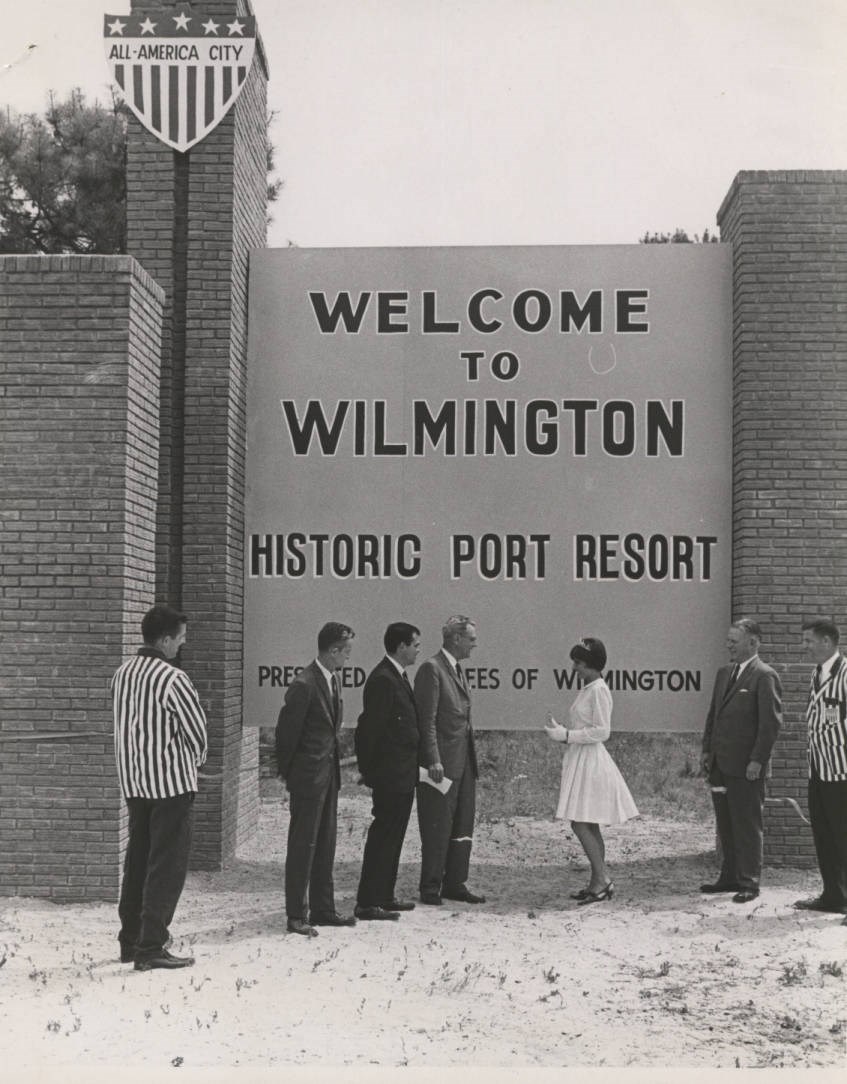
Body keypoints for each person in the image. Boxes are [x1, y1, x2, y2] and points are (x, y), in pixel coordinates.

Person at [111, 603, 208, 971]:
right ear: (165, 639)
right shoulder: (173, 679)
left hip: (135, 783)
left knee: (137, 861)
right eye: (180, 639)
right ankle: (151, 946)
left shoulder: (122, 674)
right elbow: (197, 733)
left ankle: (130, 940)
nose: (181, 646)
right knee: (166, 865)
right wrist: (193, 764)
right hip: (171, 785)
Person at [276, 622, 356, 937]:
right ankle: (296, 915)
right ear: (333, 650)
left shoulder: (332, 680)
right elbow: (286, 737)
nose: (348, 658)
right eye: (346, 652)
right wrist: (293, 776)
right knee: (302, 846)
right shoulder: (304, 684)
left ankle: (323, 909)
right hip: (308, 779)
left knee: (325, 844)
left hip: (328, 777)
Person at [545, 637, 638, 904]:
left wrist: (567, 735)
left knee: (580, 822)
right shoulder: (588, 688)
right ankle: (598, 881)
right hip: (581, 757)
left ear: (593, 666)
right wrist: (563, 730)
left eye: (579, 663)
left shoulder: (598, 689)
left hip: (590, 760)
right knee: (588, 821)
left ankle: (602, 878)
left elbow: (602, 731)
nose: (574, 667)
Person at [700, 618, 782, 903]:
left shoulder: (765, 676)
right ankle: (729, 877)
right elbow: (714, 715)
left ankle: (750, 882)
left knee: (747, 824)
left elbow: (769, 725)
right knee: (726, 824)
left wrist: (757, 761)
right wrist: (707, 751)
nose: (729, 646)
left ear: (753, 642)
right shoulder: (724, 673)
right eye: (728, 641)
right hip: (721, 765)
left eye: (734, 642)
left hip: (747, 767)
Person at [415, 615, 486, 905]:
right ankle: (430, 887)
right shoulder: (431, 669)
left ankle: (455, 883)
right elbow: (427, 720)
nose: (475, 644)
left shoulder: (456, 669)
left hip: (463, 761)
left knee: (462, 826)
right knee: (437, 825)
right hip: (441, 765)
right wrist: (433, 759)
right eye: (471, 638)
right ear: (456, 639)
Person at [353, 622, 422, 920]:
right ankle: (368, 902)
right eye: (415, 644)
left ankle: (384, 895)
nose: (418, 649)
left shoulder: (397, 676)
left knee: (394, 836)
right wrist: (371, 773)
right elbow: (369, 732)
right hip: (390, 776)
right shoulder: (383, 679)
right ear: (401, 646)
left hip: (403, 774)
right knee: (384, 836)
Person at [793, 619, 847, 921]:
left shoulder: (845, 674)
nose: (805, 647)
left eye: (808, 641)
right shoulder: (817, 674)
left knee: (844, 836)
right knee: (824, 836)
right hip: (819, 771)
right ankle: (833, 896)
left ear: (827, 642)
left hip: (842, 774)